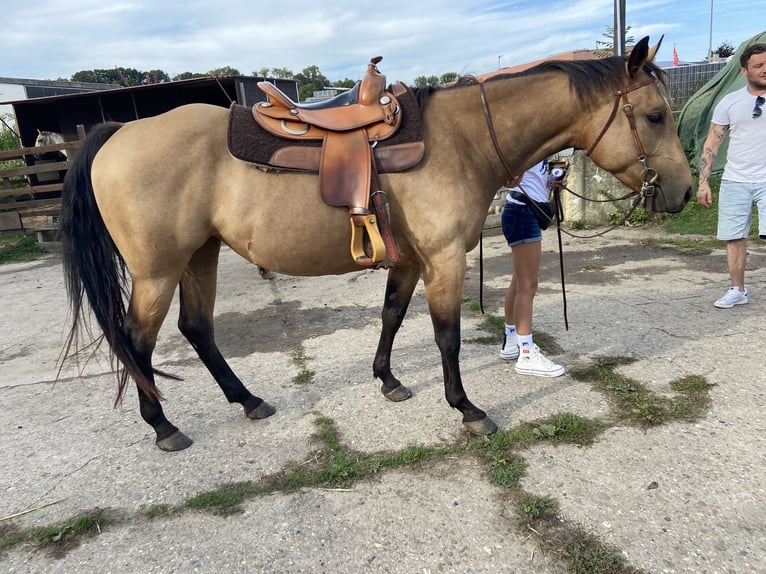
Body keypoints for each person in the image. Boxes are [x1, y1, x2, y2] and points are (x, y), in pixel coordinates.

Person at [697, 43, 766, 309]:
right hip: (735, 180)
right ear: (743, 70)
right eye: (758, 65)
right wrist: (703, 182)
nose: (764, 70)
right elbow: (712, 142)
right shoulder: (730, 101)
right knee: (734, 237)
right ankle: (737, 290)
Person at [499, 159, 565, 377]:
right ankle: (527, 353)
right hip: (522, 212)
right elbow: (509, 179)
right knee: (528, 286)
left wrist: (549, 183)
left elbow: (532, 180)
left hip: (523, 211)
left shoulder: (540, 148)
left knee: (519, 282)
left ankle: (511, 341)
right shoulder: (527, 143)